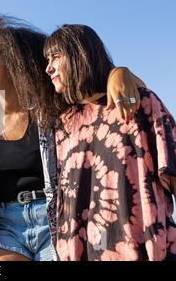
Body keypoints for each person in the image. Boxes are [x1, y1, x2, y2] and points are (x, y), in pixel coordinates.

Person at [0, 15, 144, 261]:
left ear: (19, 58)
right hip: (3, 224)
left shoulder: (53, 108)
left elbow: (99, 87)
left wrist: (118, 73)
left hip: (56, 218)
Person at [44, 24, 176, 260]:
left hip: (145, 251)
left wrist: (118, 71)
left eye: (56, 57)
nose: (48, 68)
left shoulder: (141, 103)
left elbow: (172, 173)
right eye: (47, 60)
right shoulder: (61, 124)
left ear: (80, 54)